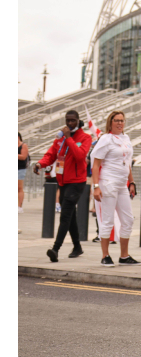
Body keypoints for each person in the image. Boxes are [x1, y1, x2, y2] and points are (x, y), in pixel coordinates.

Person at [33, 110, 92, 262]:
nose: (70, 123)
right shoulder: (59, 139)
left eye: (73, 120)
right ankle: (77, 246)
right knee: (70, 215)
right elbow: (51, 155)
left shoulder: (85, 137)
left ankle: (55, 249)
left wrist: (69, 139)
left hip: (77, 182)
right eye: (68, 120)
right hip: (63, 181)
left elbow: (80, 156)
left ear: (78, 121)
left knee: (65, 215)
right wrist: (40, 164)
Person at [91, 111, 140, 267]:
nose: (120, 123)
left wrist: (131, 181)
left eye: (122, 120)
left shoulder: (126, 139)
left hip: (122, 183)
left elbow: (127, 162)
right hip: (108, 182)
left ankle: (124, 256)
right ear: (110, 122)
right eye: (116, 120)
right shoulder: (106, 139)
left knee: (128, 220)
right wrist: (96, 186)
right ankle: (105, 255)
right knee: (108, 220)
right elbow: (96, 165)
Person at [18, 132, 29, 213]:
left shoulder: (23, 145)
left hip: (20, 169)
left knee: (19, 187)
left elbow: (23, 156)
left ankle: (19, 206)